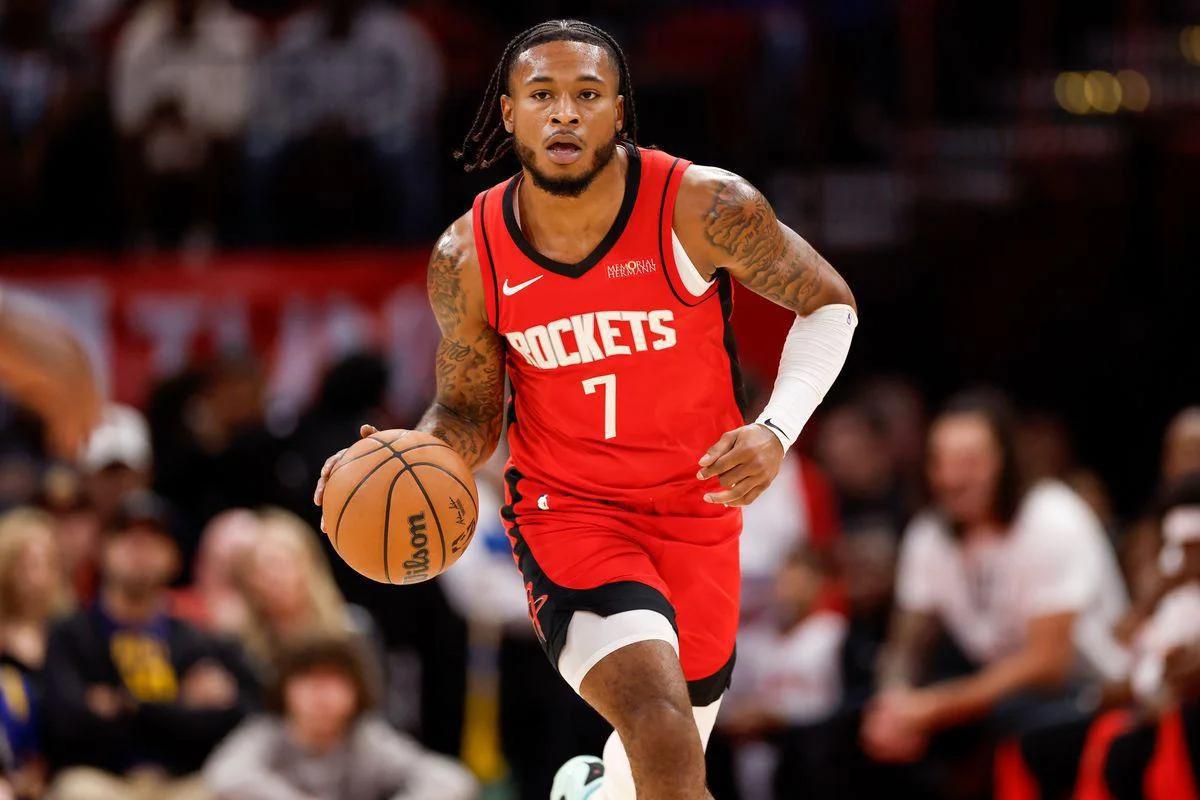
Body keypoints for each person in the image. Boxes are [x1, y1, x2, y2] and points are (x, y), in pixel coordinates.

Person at [312, 19, 858, 800]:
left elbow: (829, 303)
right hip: (571, 517)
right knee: (662, 732)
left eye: (587, 94)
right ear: (509, 113)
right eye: (542, 95)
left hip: (699, 515)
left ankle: (593, 793)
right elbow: (468, 414)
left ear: (619, 112)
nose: (564, 112)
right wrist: (408, 454)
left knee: (663, 769)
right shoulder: (468, 256)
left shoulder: (703, 205)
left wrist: (776, 429)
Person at [862, 391, 1129, 795]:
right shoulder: (928, 534)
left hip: (1090, 692)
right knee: (852, 731)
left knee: (1008, 725)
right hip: (994, 693)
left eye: (969, 462)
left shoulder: (1052, 517)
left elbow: (1048, 664)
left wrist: (933, 708)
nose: (952, 479)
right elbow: (907, 644)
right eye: (941, 462)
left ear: (1004, 461)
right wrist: (892, 703)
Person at [41, 490, 256, 800]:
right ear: (102, 550)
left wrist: (124, 705)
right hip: (101, 781)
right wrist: (178, 708)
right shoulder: (71, 634)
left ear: (175, 557)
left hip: (181, 784)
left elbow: (235, 718)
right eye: (126, 538)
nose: (139, 550)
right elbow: (66, 726)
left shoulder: (197, 640)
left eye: (153, 540)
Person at [204, 634, 477, 800]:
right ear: (285, 690)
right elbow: (225, 776)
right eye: (309, 681)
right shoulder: (267, 733)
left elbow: (450, 779)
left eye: (333, 682)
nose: (321, 695)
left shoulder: (367, 739)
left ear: (356, 693)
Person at [0, 507, 72, 798]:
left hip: (61, 766)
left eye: (48, 563)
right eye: (28, 564)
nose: (39, 577)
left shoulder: (71, 632)